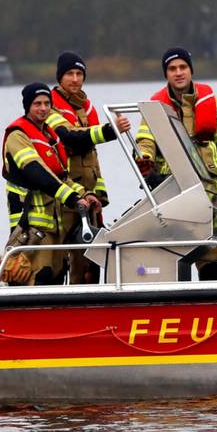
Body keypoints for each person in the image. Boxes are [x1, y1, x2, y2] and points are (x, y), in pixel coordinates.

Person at [135, 47, 217, 280]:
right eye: (172, 69)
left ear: (191, 70)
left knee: (212, 263)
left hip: (209, 193)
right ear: (166, 74)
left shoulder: (211, 102)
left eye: (183, 67)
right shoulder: (156, 105)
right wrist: (144, 157)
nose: (178, 73)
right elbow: (145, 138)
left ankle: (212, 313)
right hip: (172, 192)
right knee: (174, 261)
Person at [1, 82, 118, 285]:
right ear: (27, 106)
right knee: (36, 279)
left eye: (47, 103)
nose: (43, 108)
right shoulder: (18, 135)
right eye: (37, 103)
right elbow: (37, 173)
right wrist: (72, 199)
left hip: (54, 227)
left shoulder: (49, 136)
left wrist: (84, 194)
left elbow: (62, 176)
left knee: (57, 277)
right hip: (29, 229)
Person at [47, 51, 131, 283]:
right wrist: (110, 130)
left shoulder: (85, 108)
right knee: (58, 261)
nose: (75, 79)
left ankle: (88, 306)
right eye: (69, 74)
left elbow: (92, 157)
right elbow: (71, 138)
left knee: (90, 263)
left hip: (90, 199)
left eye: (79, 74)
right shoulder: (51, 107)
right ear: (59, 77)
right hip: (64, 198)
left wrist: (100, 195)